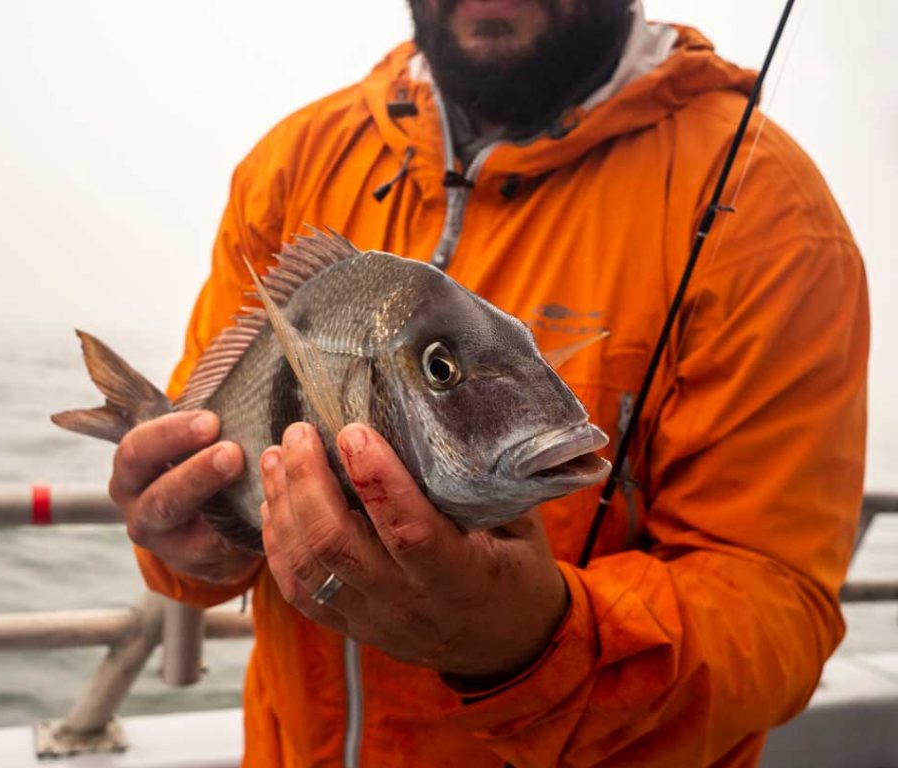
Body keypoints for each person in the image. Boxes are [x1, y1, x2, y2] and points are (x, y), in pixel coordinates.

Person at [108, 1, 869, 765]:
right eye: (439, 371)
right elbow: (216, 495)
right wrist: (192, 540)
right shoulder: (295, 162)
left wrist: (529, 641)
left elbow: (775, 613)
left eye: (439, 370)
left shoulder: (766, 209)